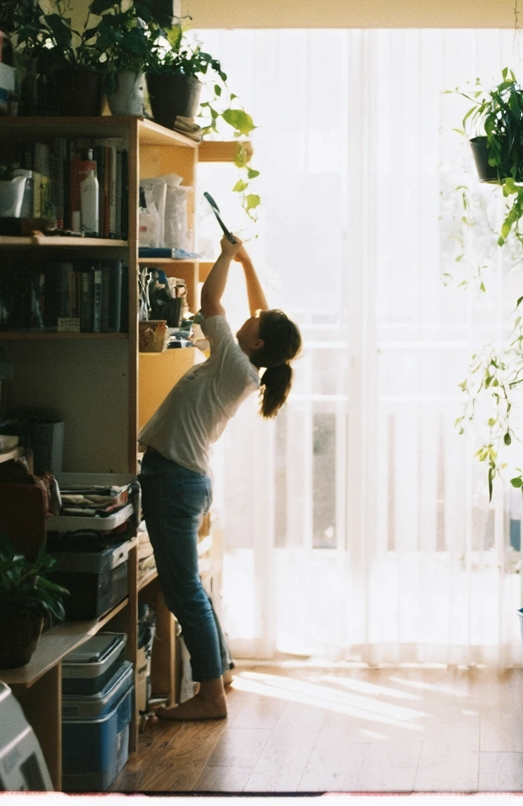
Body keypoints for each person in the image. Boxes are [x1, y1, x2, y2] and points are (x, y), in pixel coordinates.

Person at [137, 234, 302, 721]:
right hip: (181, 479)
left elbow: (210, 300)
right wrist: (247, 262)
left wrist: (227, 253)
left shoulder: (234, 362)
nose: (247, 317)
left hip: (174, 481)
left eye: (252, 323)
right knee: (191, 589)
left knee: (183, 592)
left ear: (255, 342)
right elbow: (262, 313)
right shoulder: (242, 362)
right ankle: (220, 672)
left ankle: (210, 697)